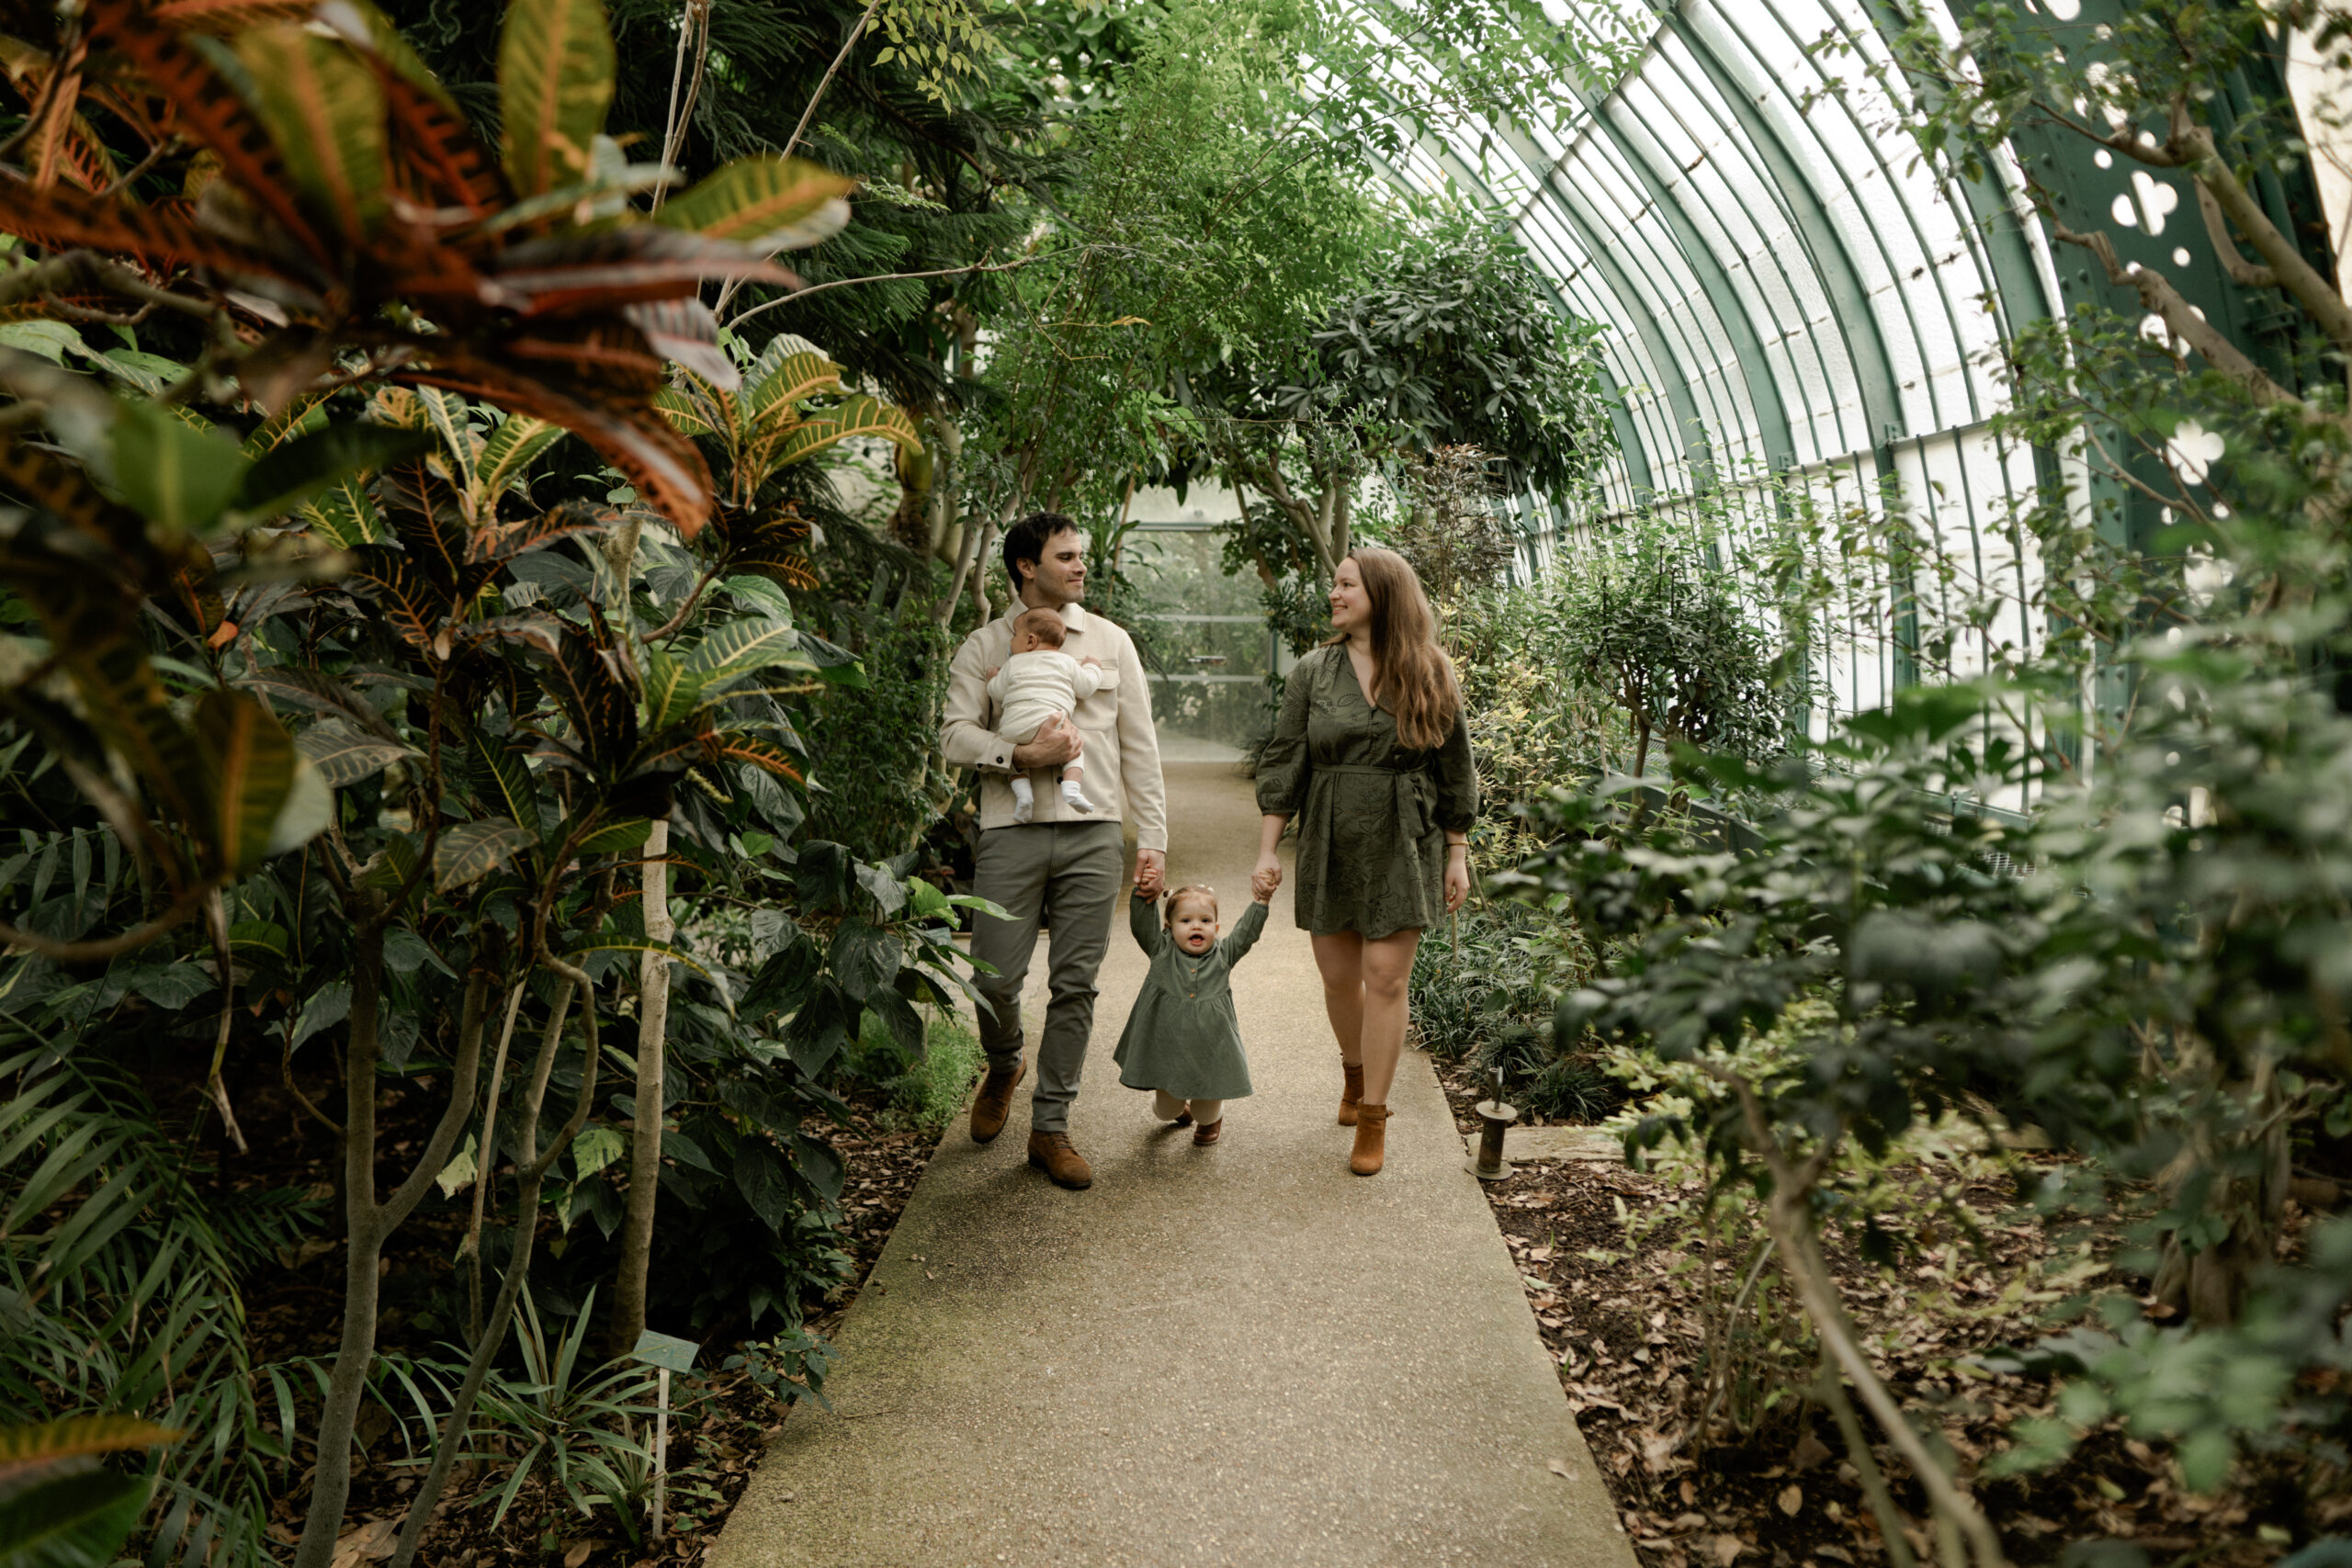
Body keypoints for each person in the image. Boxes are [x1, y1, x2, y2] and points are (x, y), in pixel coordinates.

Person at [940, 513, 1167, 1190]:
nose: (1080, 566)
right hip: (1010, 829)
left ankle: (1051, 1126)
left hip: (1094, 831)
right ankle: (1005, 1059)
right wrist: (1018, 754)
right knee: (993, 978)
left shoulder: (1110, 642)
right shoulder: (985, 646)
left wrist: (1152, 839)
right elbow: (953, 735)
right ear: (1024, 567)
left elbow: (1139, 748)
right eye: (1065, 556)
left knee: (1076, 983)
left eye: (1081, 555)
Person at [1253, 547, 1476, 1177]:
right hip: (1330, 832)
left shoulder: (1431, 670)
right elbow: (1286, 758)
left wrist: (1457, 853)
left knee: (1386, 976)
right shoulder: (1313, 671)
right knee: (1337, 974)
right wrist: (1268, 847)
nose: (1334, 592)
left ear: (1382, 593)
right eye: (1335, 583)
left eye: (1347, 583)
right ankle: (1353, 1070)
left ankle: (1374, 1113)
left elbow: (1455, 769)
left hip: (1406, 837)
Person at [1111, 873, 1276, 1147]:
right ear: (1168, 926)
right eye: (1185, 921)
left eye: (1205, 921)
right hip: (1168, 1048)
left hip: (1212, 1047)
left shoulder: (1223, 954)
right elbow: (1141, 925)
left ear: (1216, 926)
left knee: (1205, 1111)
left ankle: (1211, 1118)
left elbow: (1246, 935)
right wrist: (1144, 894)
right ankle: (1178, 1106)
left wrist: (1260, 902)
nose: (1196, 927)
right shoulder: (1160, 950)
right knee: (1167, 1112)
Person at [984, 606, 1109, 823]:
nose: (1011, 640)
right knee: (1075, 748)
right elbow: (1087, 687)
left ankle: (1023, 795)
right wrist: (1093, 667)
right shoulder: (1067, 662)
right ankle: (1071, 788)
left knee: (1012, 757)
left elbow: (996, 692)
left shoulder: (1013, 663)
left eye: (1015, 635)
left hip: (1014, 727)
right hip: (1054, 723)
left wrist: (993, 678)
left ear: (1030, 641)